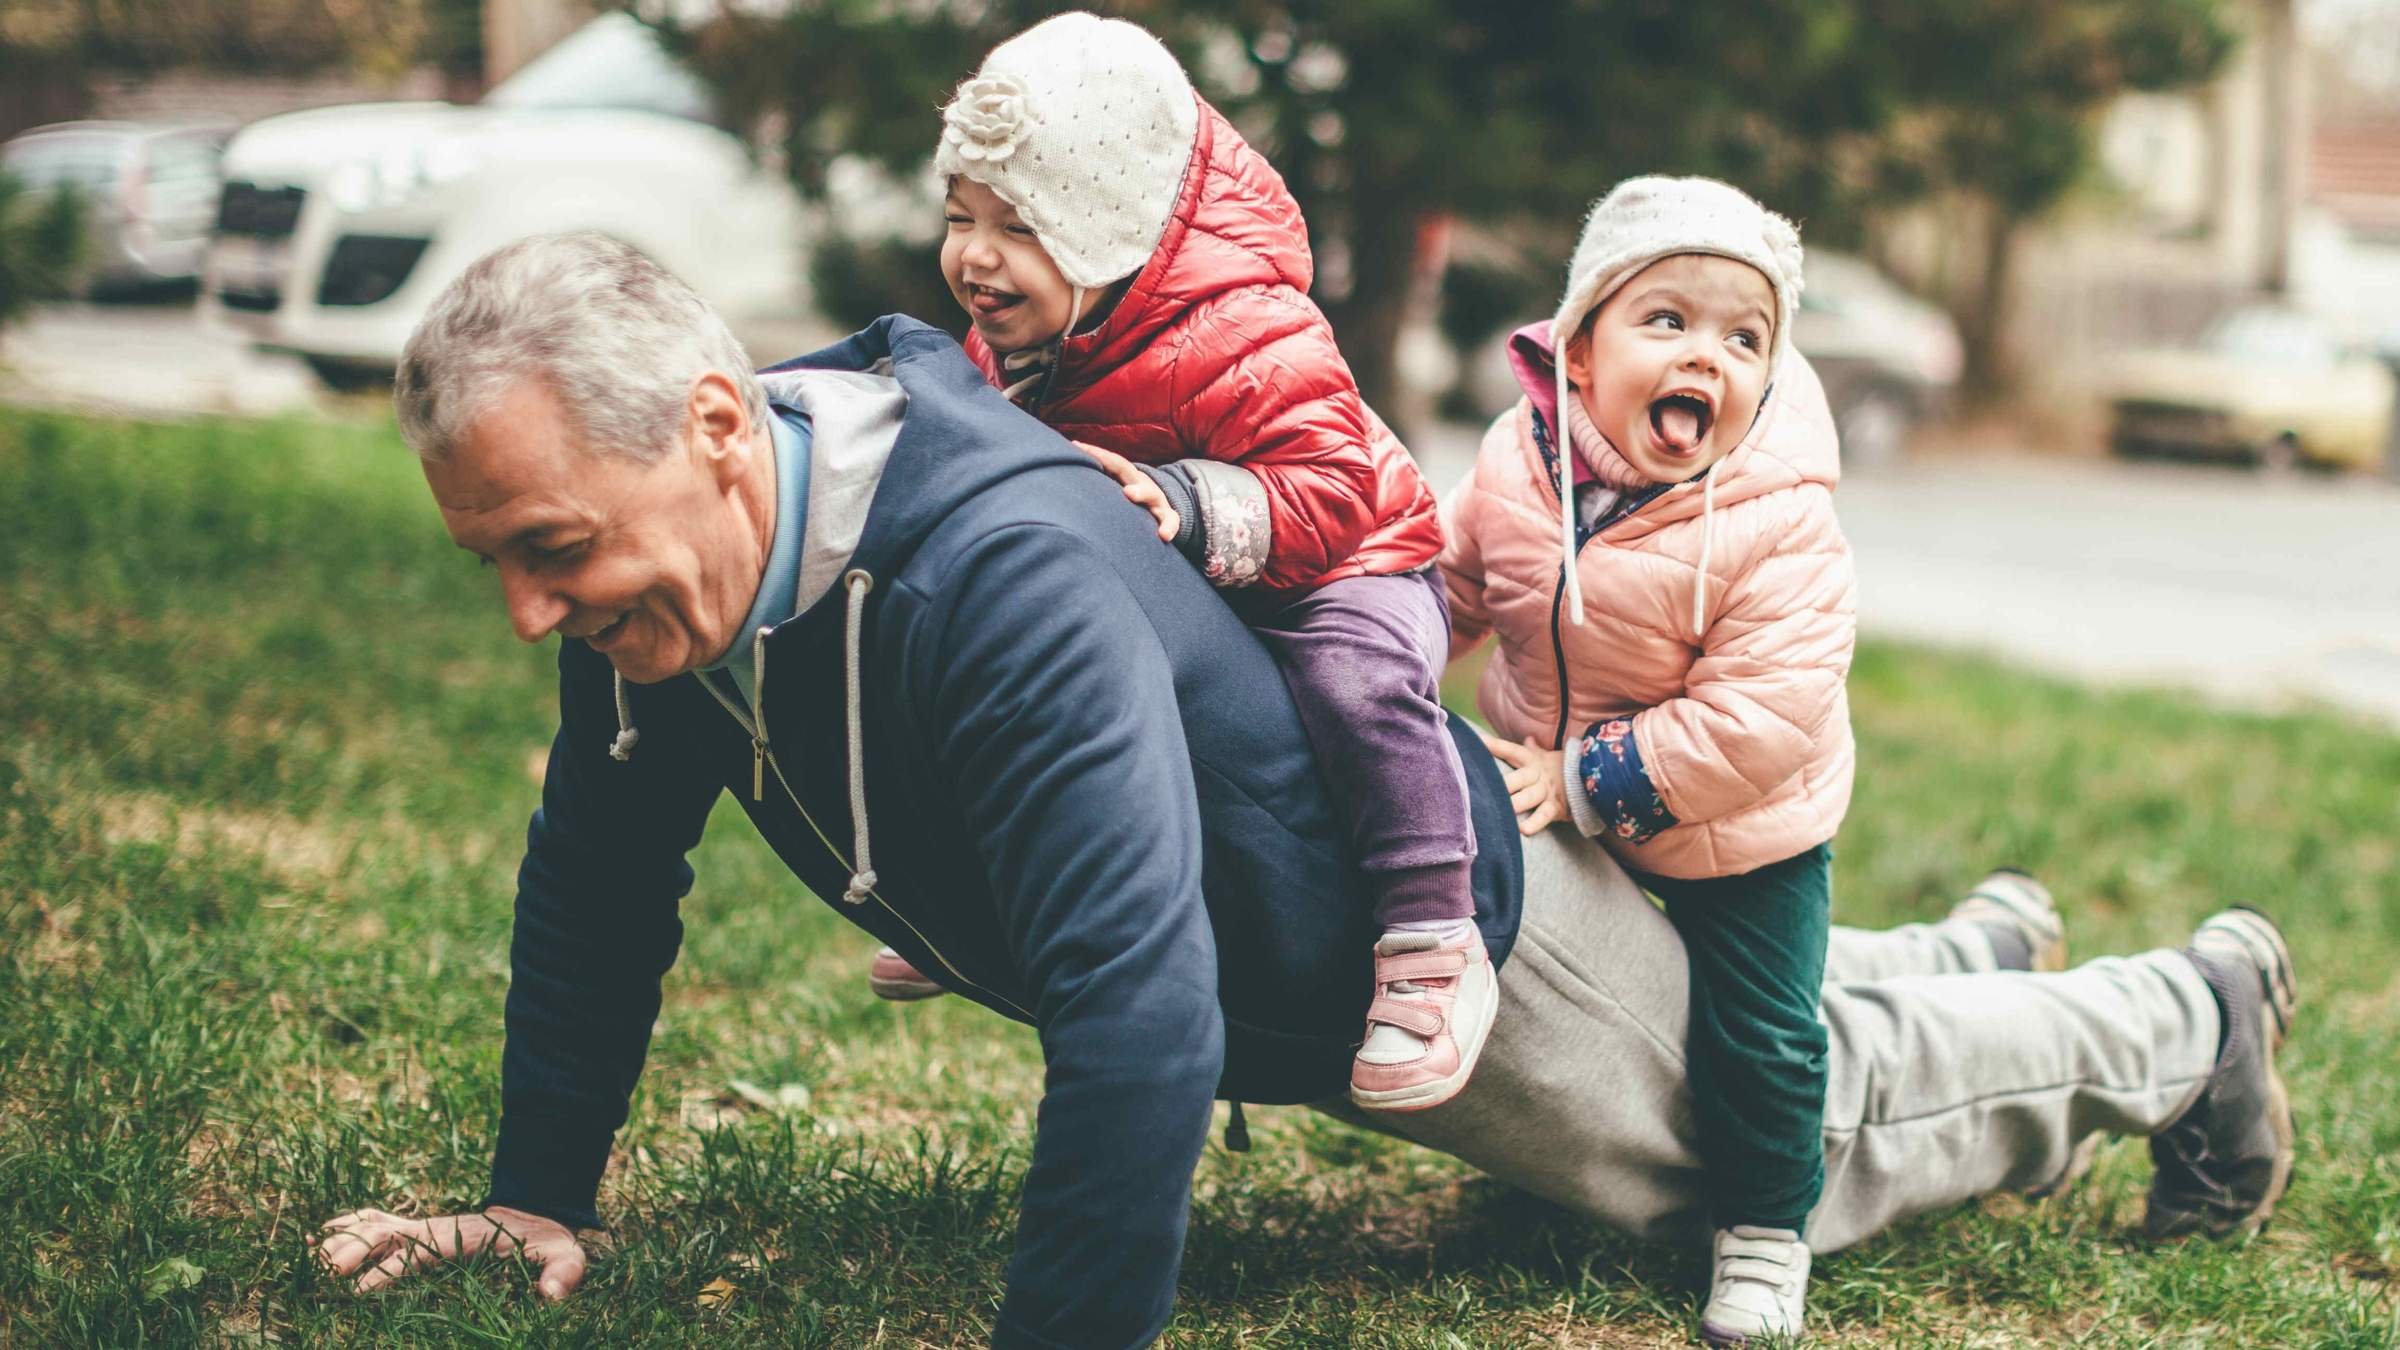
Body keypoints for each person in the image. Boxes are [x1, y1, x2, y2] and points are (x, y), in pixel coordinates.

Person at [313, 233, 2300, 1350]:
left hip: (1437, 942)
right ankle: (1961, 951)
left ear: (721, 429)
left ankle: (2185, 1021)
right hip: (1331, 940)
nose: (526, 610)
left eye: (552, 550)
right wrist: (533, 1197)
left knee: (1802, 1135)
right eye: (495, 557)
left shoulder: (981, 568)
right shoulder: (671, 574)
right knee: (1772, 1028)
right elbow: (598, 869)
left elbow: (1139, 1017)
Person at [888, 11, 1490, 1112]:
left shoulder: (1254, 328)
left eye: (1018, 225)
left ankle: (1431, 932)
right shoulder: (1025, 337)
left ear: (1109, 227)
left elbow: (1332, 490)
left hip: (1344, 561)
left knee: (1355, 687)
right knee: (1028, 672)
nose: (975, 255)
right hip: (1188, 567)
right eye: (960, 213)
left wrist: (1183, 502)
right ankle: (986, 894)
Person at [1440, 175, 1850, 1341]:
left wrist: (1583, 783)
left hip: (1740, 824)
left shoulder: (1779, 517)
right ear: (1576, 351)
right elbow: (1459, 585)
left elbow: (1763, 713)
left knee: (1760, 1030)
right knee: (1540, 972)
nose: (1706, 356)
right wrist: (1386, 655)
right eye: (1665, 321)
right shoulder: (1518, 465)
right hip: (1548, 773)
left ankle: (1767, 1228)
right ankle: (1544, 1155)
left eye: (1744, 337)